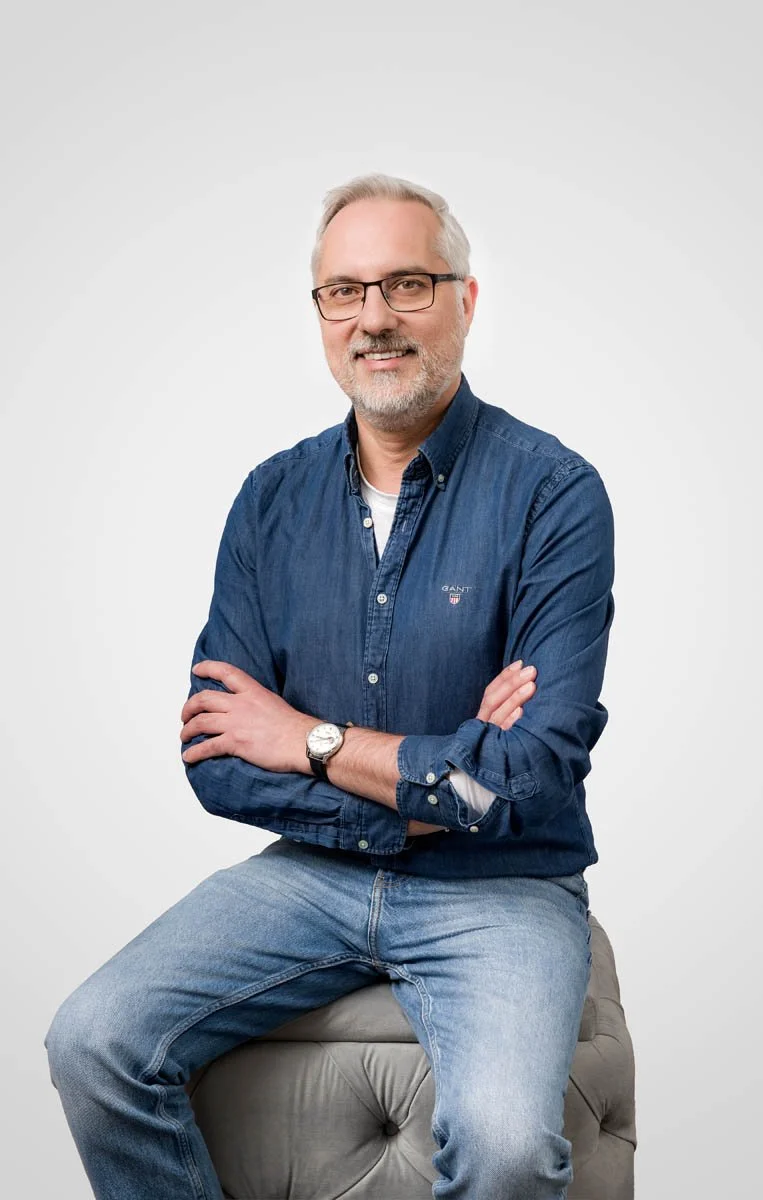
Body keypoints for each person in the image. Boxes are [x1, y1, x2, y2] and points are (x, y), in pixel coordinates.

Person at [44, 172, 615, 1200]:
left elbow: (526, 779)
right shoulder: (269, 500)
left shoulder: (552, 494)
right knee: (92, 1041)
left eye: (406, 283)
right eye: (344, 292)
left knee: (504, 1146)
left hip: (505, 889)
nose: (374, 319)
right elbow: (219, 758)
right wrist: (437, 788)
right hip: (307, 879)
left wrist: (306, 738)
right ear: (318, 314)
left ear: (464, 300)